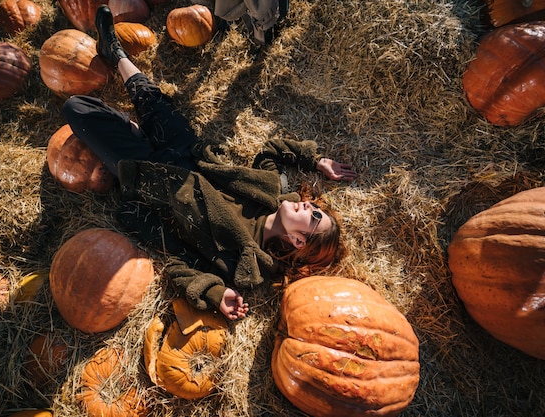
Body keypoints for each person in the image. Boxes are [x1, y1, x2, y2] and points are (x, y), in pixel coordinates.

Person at [61, 5, 357, 320]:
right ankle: (116, 52)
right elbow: (271, 150)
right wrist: (315, 159)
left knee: (76, 108)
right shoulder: (273, 191)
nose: (309, 207)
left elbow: (180, 262)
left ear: (297, 241)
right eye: (317, 210)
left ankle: (135, 133)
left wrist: (216, 293)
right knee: (152, 100)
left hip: (155, 178)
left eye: (313, 218)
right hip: (186, 150)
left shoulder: (242, 264)